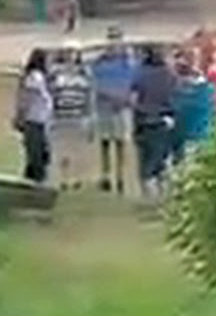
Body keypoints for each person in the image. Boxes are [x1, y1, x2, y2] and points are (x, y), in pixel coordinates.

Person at [89, 27, 137, 194]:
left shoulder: (128, 62)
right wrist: (109, 96)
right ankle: (106, 175)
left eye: (117, 38)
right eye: (111, 38)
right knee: (105, 142)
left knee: (120, 143)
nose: (114, 42)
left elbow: (134, 84)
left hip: (122, 108)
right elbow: (95, 84)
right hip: (105, 107)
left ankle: (120, 176)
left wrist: (127, 99)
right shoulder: (100, 62)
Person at [130, 42, 178, 197]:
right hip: (163, 120)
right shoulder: (170, 75)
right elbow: (175, 97)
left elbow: (133, 98)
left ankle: (149, 193)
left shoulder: (140, 73)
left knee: (145, 159)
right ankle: (161, 192)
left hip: (143, 120)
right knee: (160, 159)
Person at [47, 47, 94, 189]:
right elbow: (51, 94)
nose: (70, 56)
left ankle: (76, 178)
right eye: (68, 52)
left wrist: (89, 117)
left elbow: (89, 96)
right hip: (61, 116)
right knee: (62, 150)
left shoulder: (84, 73)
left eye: (73, 53)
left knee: (77, 150)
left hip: (78, 116)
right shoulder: (56, 73)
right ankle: (64, 178)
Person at [170, 49, 216, 168]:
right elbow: (214, 110)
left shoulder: (177, 91)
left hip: (182, 136)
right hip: (201, 135)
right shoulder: (208, 89)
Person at [13, 48, 54, 185]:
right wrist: (21, 116)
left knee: (39, 154)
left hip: (40, 120)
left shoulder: (40, 77)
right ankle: (37, 183)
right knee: (37, 156)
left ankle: (33, 181)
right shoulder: (34, 77)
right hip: (34, 120)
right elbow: (27, 99)